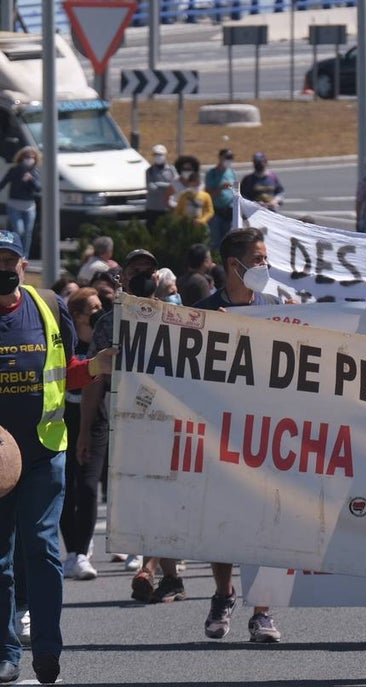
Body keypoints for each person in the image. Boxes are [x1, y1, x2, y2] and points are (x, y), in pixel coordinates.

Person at [0, 229, 115, 684]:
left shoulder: (48, 306)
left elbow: (67, 375)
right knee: (1, 561)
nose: (4, 270)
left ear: (23, 265)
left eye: (11, 262)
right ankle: (7, 653)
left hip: (45, 450)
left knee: (45, 551)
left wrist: (96, 367)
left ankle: (47, 650)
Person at [191, 228, 284, 642]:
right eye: (259, 259)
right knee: (222, 522)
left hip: (269, 436)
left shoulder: (277, 308)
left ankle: (262, 610)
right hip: (221, 435)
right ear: (235, 265)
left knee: (267, 523)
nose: (265, 266)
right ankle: (223, 594)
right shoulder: (205, 312)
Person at [83, 250, 187, 598]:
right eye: (135, 270)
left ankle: (150, 567)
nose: (143, 275)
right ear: (122, 279)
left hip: (168, 419)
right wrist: (85, 430)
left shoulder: (176, 317)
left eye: (149, 271)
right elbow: (95, 379)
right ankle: (168, 576)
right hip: (126, 420)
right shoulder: (108, 324)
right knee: (142, 496)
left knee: (160, 495)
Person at [60, 289, 104, 583]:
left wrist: (86, 432)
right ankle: (72, 551)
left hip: (95, 420)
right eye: (92, 308)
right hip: (64, 419)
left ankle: (81, 554)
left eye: (101, 305)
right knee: (64, 488)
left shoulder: (101, 342)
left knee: (88, 487)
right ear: (76, 316)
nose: (99, 312)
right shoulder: (65, 342)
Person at [1, 147, 40, 259]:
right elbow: (3, 183)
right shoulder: (14, 170)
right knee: (19, 230)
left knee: (28, 233)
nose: (29, 159)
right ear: (21, 158)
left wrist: (31, 179)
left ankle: (24, 257)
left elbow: (38, 188)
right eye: (27, 157)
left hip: (29, 206)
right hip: (14, 205)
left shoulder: (34, 171)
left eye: (32, 157)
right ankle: (15, 253)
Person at [204, 148, 238, 247]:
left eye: (231, 158)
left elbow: (235, 192)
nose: (229, 160)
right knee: (216, 240)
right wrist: (220, 188)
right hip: (216, 211)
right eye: (227, 157)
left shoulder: (232, 173)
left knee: (228, 239)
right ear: (220, 158)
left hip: (229, 210)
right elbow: (208, 195)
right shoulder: (212, 174)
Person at [144, 145, 177, 226]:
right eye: (155, 155)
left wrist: (159, 185)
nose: (158, 157)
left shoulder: (171, 169)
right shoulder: (150, 171)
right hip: (153, 208)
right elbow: (152, 188)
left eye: (160, 155)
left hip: (168, 207)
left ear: (165, 156)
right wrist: (168, 187)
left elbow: (176, 184)